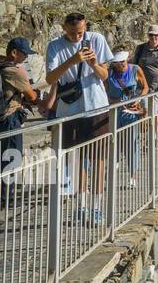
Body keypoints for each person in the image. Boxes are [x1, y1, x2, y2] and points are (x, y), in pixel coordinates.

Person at [46, 13, 115, 221]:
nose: (78, 36)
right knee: (76, 160)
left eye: (81, 32)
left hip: (95, 107)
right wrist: (72, 60)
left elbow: (105, 77)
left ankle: (97, 206)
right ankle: (82, 205)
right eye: (73, 33)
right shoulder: (55, 46)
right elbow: (50, 78)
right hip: (69, 111)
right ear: (64, 28)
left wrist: (94, 63)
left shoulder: (96, 39)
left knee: (97, 159)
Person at [0, 37, 39, 201]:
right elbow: (32, 96)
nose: (26, 57)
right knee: (12, 157)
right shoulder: (15, 71)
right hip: (8, 119)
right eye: (24, 54)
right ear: (14, 52)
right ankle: (6, 196)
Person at [104, 51, 149, 182]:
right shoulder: (109, 73)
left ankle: (133, 175)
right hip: (114, 112)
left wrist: (138, 100)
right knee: (113, 141)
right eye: (118, 62)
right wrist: (112, 101)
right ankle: (112, 167)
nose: (122, 65)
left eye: (123, 61)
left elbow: (145, 87)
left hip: (130, 111)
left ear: (127, 59)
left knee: (132, 143)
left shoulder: (135, 69)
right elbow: (103, 91)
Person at [133, 25, 158, 101]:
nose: (153, 37)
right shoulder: (140, 48)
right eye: (151, 35)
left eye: (156, 35)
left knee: (157, 112)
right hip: (142, 90)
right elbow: (135, 67)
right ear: (148, 35)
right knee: (144, 112)